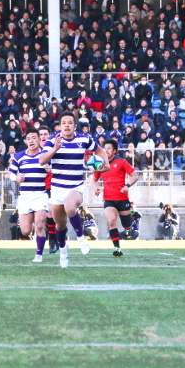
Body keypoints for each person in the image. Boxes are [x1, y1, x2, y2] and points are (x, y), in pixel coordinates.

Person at [39, 111, 110, 268]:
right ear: (60, 125)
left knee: (71, 208)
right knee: (60, 225)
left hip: (75, 186)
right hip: (57, 188)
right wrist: (55, 148)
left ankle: (81, 240)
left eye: (70, 122)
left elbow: (100, 150)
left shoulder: (84, 139)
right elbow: (41, 160)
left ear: (74, 125)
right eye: (64, 123)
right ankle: (63, 252)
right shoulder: (52, 141)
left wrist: (106, 163)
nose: (66, 125)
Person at [8, 128, 50, 262]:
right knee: (25, 231)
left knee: (39, 224)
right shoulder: (19, 156)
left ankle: (39, 254)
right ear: (26, 141)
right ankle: (41, 230)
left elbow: (57, 169)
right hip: (25, 196)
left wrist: (51, 170)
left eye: (34, 137)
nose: (31, 140)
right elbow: (10, 174)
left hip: (40, 194)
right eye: (29, 138)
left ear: (38, 139)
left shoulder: (45, 155)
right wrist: (16, 178)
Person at [91, 139, 138, 256]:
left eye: (109, 148)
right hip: (109, 199)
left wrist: (127, 185)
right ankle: (117, 248)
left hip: (122, 199)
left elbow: (135, 176)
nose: (106, 150)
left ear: (115, 150)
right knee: (111, 221)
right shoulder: (100, 164)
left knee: (127, 226)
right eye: (104, 148)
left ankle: (130, 220)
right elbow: (94, 179)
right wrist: (95, 188)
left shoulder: (122, 162)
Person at [38, 125, 58, 254]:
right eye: (41, 135)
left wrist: (53, 171)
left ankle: (52, 241)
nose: (43, 137)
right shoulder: (34, 153)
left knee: (52, 214)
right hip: (36, 189)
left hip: (52, 187)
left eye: (46, 134)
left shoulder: (56, 151)